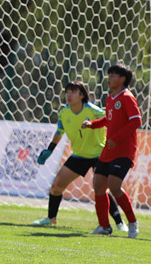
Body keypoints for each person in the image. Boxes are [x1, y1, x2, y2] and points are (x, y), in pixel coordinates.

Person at [31, 81, 125, 231]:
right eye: (67, 92)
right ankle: (51, 219)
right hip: (79, 155)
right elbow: (59, 132)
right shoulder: (64, 113)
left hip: (99, 155)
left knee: (102, 189)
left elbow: (112, 121)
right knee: (56, 186)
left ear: (82, 95)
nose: (69, 95)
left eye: (73, 92)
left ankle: (120, 223)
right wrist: (50, 150)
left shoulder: (94, 111)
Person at [82, 63, 142, 238]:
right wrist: (92, 124)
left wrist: (116, 138)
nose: (109, 79)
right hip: (109, 151)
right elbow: (108, 120)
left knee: (115, 187)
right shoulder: (111, 99)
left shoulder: (127, 97)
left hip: (124, 151)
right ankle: (104, 226)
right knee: (99, 186)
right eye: (109, 75)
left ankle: (132, 222)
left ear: (123, 79)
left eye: (113, 75)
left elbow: (136, 121)